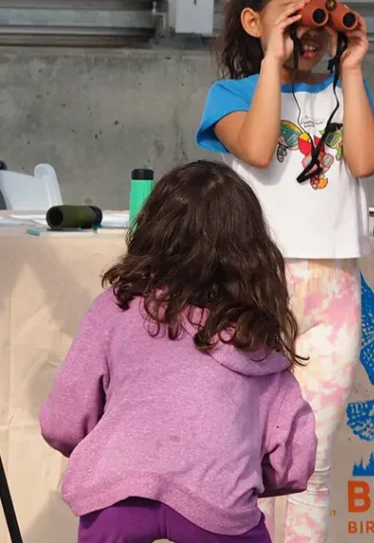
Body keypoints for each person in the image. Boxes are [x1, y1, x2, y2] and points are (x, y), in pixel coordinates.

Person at [195, 0, 374, 540]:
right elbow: (258, 148)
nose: (312, 23)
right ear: (256, 22)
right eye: (295, 11)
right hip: (252, 283)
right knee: (238, 450)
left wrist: (351, 68)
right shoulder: (231, 95)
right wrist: (271, 64)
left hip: (334, 288)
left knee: (312, 460)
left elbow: (363, 161)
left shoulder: (346, 91)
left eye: (322, 10)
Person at [39, 161, 317, 543]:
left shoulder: (116, 308)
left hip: (117, 494)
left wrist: (111, 451)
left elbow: (61, 420)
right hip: (220, 501)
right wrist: (242, 474)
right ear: (252, 250)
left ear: (152, 230)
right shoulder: (255, 332)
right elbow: (294, 459)